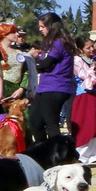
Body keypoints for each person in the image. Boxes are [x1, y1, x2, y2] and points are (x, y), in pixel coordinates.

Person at [28, 13, 76, 144]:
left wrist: (29, 59)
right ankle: (43, 151)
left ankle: (58, 156)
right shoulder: (50, 44)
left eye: (42, 26)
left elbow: (45, 64)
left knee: (51, 123)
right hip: (45, 87)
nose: (40, 29)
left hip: (56, 87)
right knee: (35, 120)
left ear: (51, 26)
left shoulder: (59, 42)